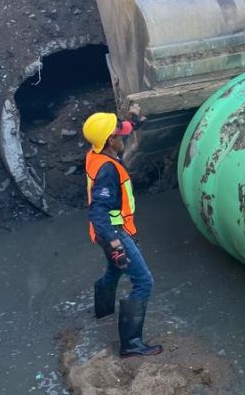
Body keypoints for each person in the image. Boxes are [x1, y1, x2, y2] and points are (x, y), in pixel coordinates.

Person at [83, 110, 163, 358]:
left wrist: (132, 123)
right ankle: (131, 344)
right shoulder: (107, 170)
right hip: (112, 231)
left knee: (114, 271)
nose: (124, 137)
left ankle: (103, 311)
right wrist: (116, 244)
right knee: (144, 282)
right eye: (120, 134)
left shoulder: (95, 154)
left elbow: (118, 130)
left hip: (104, 233)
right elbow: (98, 212)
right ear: (110, 140)